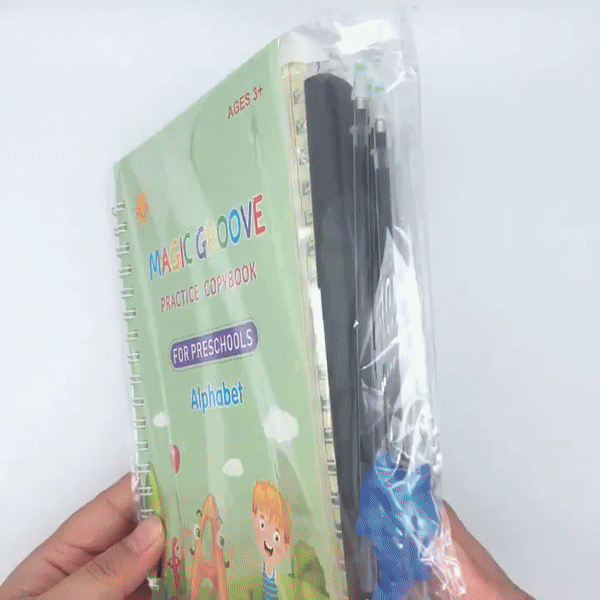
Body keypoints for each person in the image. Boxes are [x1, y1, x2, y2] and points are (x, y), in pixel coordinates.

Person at [0, 474, 533, 600]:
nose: (262, 533)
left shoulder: (300, 564)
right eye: (258, 525)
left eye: (266, 525)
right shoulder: (259, 571)